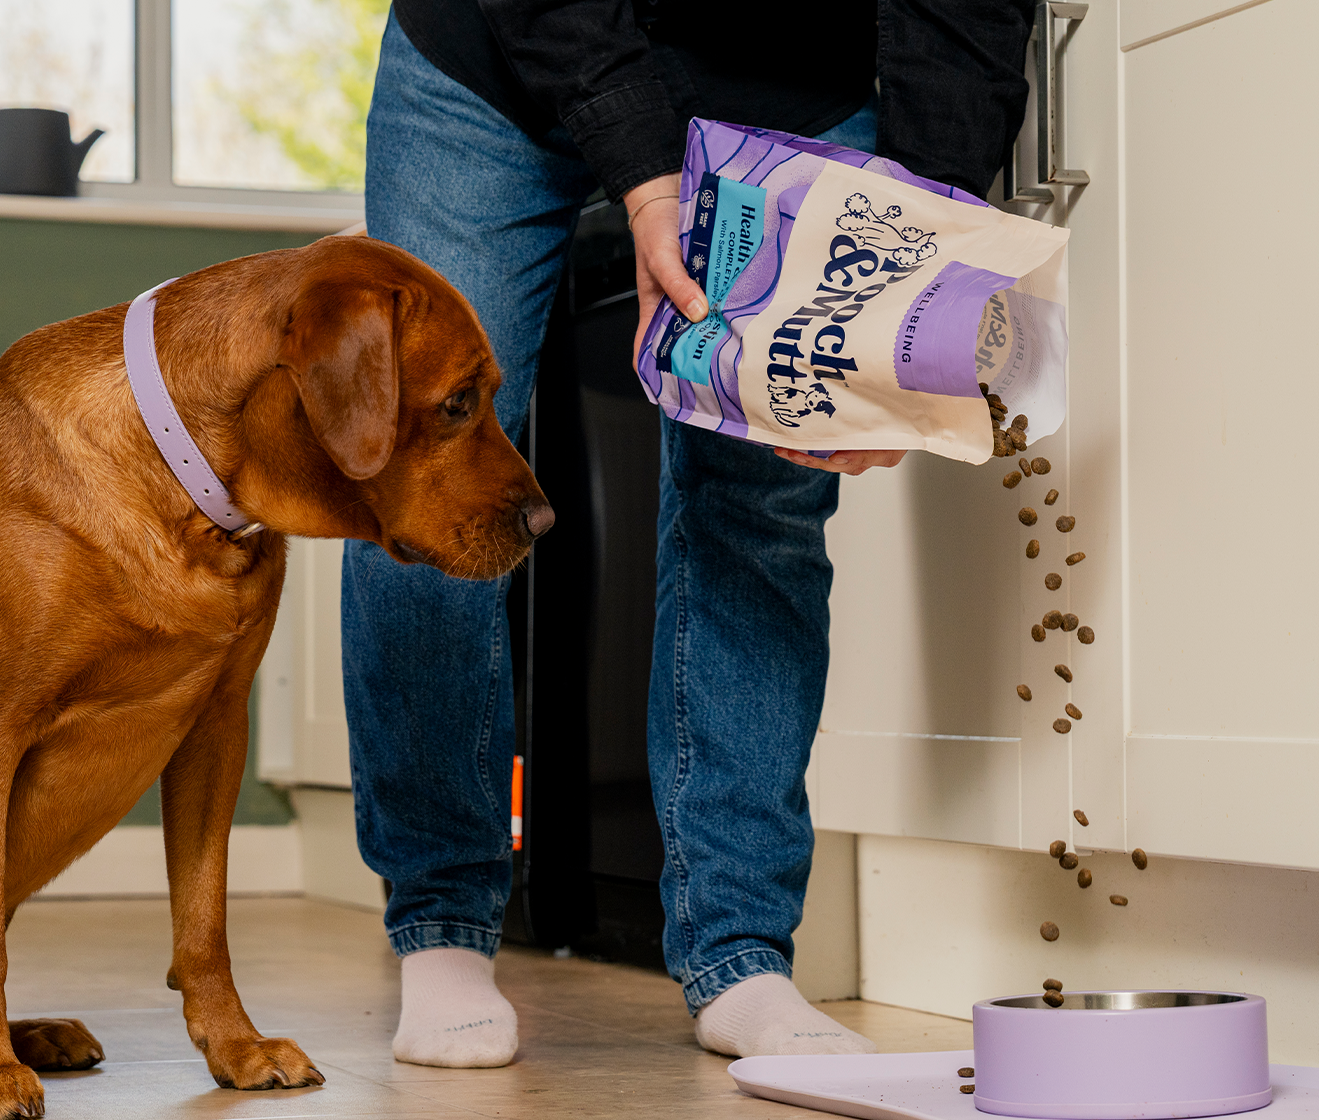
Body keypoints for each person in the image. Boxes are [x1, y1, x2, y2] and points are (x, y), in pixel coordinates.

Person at [346, 0, 1037, 1067]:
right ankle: (440, 931)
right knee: (419, 478)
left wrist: (903, 310)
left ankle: (740, 956)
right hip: (498, 68)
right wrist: (640, 163)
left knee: (760, 505)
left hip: (792, 98)